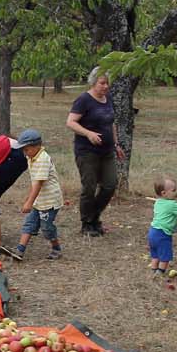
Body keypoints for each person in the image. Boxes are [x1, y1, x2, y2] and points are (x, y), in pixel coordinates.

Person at [67, 65, 125, 237]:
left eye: (107, 83)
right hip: (87, 152)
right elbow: (70, 122)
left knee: (110, 185)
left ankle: (94, 216)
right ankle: (87, 223)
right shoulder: (83, 100)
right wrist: (88, 133)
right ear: (93, 83)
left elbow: (111, 123)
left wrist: (116, 145)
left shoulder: (108, 99)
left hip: (106, 151)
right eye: (102, 83)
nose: (106, 87)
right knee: (89, 187)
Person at [11, 129, 63, 261]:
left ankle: (56, 248)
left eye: (26, 149)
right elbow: (34, 182)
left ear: (36, 146)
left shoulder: (42, 159)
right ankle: (20, 250)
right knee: (29, 223)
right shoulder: (32, 157)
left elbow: (38, 183)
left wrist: (29, 202)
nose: (24, 153)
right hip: (39, 200)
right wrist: (30, 199)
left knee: (47, 228)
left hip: (49, 201)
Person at [147, 176, 177, 278]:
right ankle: (160, 273)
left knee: (155, 255)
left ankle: (153, 270)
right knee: (165, 256)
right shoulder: (172, 204)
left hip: (152, 232)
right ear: (164, 193)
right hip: (163, 234)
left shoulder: (158, 202)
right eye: (174, 190)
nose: (176, 192)